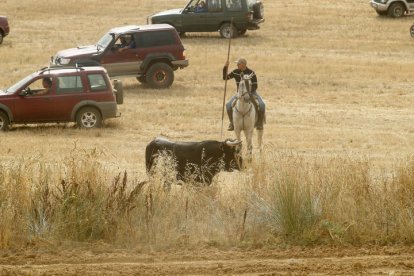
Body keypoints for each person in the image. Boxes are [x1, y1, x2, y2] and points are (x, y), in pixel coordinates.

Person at [223, 58, 265, 131]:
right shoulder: (235, 72)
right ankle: (232, 123)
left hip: (252, 92)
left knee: (262, 105)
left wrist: (247, 92)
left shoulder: (251, 73)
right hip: (239, 94)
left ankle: (259, 123)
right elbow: (225, 78)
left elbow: (255, 86)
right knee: (228, 105)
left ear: (243, 64)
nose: (237, 65)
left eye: (238, 64)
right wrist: (225, 67)